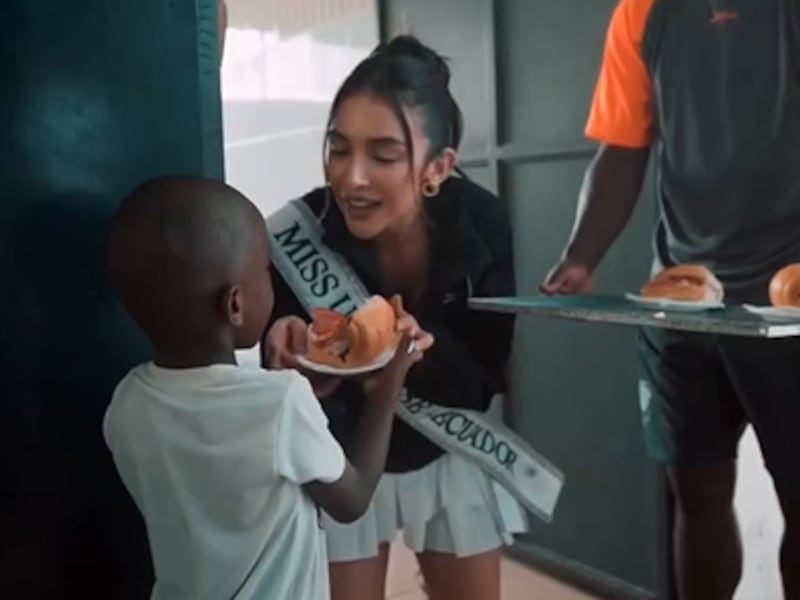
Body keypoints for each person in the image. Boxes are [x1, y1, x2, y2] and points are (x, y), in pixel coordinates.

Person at [541, 1, 800, 599]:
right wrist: (581, 256)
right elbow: (624, 145)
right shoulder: (643, 10)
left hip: (790, 301)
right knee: (696, 492)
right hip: (683, 301)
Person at [263, 36, 526, 600]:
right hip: (342, 455)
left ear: (438, 167)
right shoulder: (297, 232)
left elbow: (485, 373)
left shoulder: (483, 223)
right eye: (338, 149)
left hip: (446, 440)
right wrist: (287, 354)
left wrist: (419, 362)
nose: (352, 178)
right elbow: (283, 377)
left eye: (383, 155)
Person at [102, 175, 432, 600]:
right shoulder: (280, 401)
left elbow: (227, 474)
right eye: (264, 271)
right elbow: (351, 500)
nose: (270, 283)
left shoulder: (127, 402)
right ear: (235, 304)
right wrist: (388, 385)